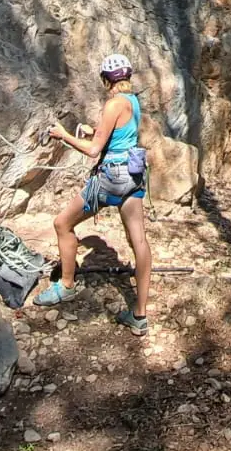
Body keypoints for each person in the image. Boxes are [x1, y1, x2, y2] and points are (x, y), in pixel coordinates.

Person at [34, 53, 153, 336]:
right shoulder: (133, 101)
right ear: (127, 77)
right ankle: (139, 315)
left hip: (111, 178)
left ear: (105, 80)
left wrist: (63, 135)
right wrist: (95, 130)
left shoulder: (113, 104)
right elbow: (120, 134)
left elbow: (92, 151)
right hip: (133, 176)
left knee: (62, 224)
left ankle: (65, 285)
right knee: (139, 240)